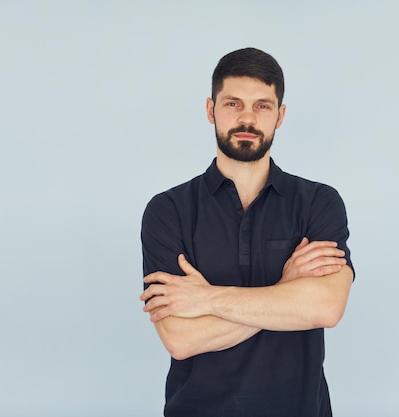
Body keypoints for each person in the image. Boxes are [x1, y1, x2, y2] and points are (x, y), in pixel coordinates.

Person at [139, 47, 355, 417]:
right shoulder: (168, 211)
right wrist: (286, 292)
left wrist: (206, 300)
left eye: (262, 106)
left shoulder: (319, 203)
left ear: (280, 115)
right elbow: (180, 338)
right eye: (233, 104)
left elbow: (326, 307)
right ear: (211, 110)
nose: (247, 118)